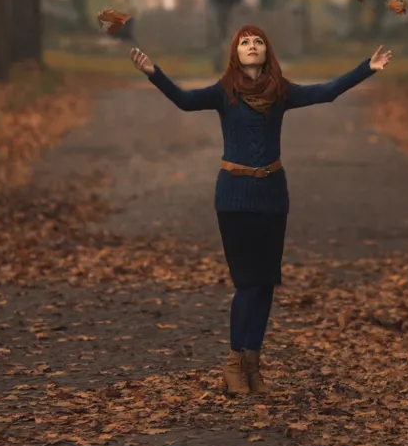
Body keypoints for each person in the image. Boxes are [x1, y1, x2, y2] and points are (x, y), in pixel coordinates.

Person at [129, 26, 392, 396]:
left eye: (258, 42)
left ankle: (253, 366)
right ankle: (234, 363)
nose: (252, 46)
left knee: (266, 282)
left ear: (267, 52)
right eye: (244, 43)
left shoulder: (280, 91)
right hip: (234, 196)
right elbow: (185, 101)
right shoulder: (224, 92)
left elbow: (327, 92)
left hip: (272, 195)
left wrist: (367, 68)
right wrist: (153, 73)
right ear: (235, 54)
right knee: (247, 282)